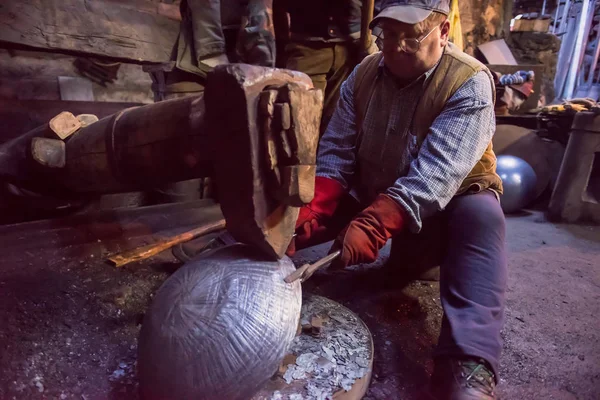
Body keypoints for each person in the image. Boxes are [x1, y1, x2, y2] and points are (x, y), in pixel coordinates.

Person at [290, 1, 507, 399]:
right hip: (378, 190)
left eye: (413, 35)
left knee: (482, 217)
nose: (397, 47)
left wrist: (373, 225)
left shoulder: (469, 81)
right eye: (389, 35)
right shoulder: (364, 74)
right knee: (297, 218)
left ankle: (468, 363)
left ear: (443, 32)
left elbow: (433, 176)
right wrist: (317, 206)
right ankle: (254, 257)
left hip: (443, 206)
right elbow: (337, 150)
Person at [274, 0, 379, 134]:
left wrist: (372, 37)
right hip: (307, 46)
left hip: (352, 47)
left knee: (339, 125)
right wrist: (282, 47)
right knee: (300, 125)